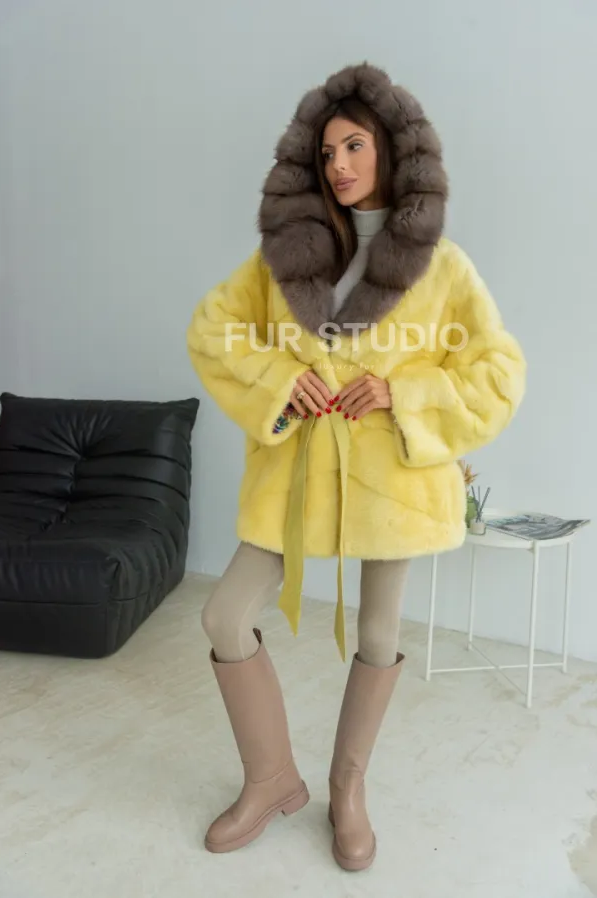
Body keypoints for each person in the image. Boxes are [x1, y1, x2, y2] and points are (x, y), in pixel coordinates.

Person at [186, 62, 526, 871]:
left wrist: (404, 395)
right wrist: (280, 378)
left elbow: (498, 371)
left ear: (393, 152)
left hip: (391, 485)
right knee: (226, 616)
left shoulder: (443, 266)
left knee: (377, 632)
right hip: (298, 473)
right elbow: (213, 330)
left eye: (354, 146)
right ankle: (272, 779)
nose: (338, 164)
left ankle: (347, 789)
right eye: (327, 151)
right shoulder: (285, 258)